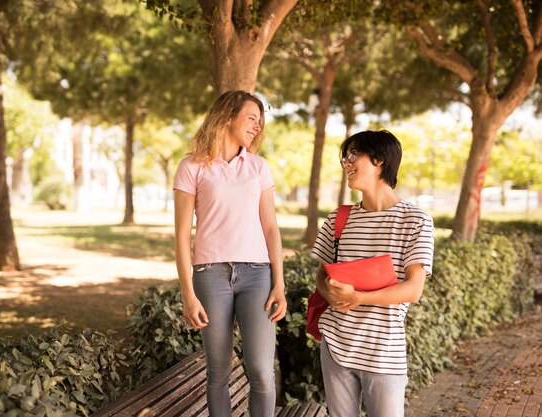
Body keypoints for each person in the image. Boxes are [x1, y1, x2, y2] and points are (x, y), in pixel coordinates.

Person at [173, 90, 287, 417]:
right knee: (218, 371)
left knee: (262, 372)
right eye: (251, 118)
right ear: (227, 117)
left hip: (257, 275)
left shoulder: (258, 167)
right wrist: (188, 294)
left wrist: (278, 284)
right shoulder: (191, 166)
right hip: (210, 276)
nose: (257, 126)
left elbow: (271, 229)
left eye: (259, 121)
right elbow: (181, 236)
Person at [311, 130, 434, 417]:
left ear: (379, 160)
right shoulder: (338, 218)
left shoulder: (415, 221)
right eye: (345, 157)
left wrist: (358, 297)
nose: (346, 163)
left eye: (353, 154)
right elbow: (321, 275)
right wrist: (331, 293)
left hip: (384, 352)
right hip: (336, 347)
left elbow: (413, 290)